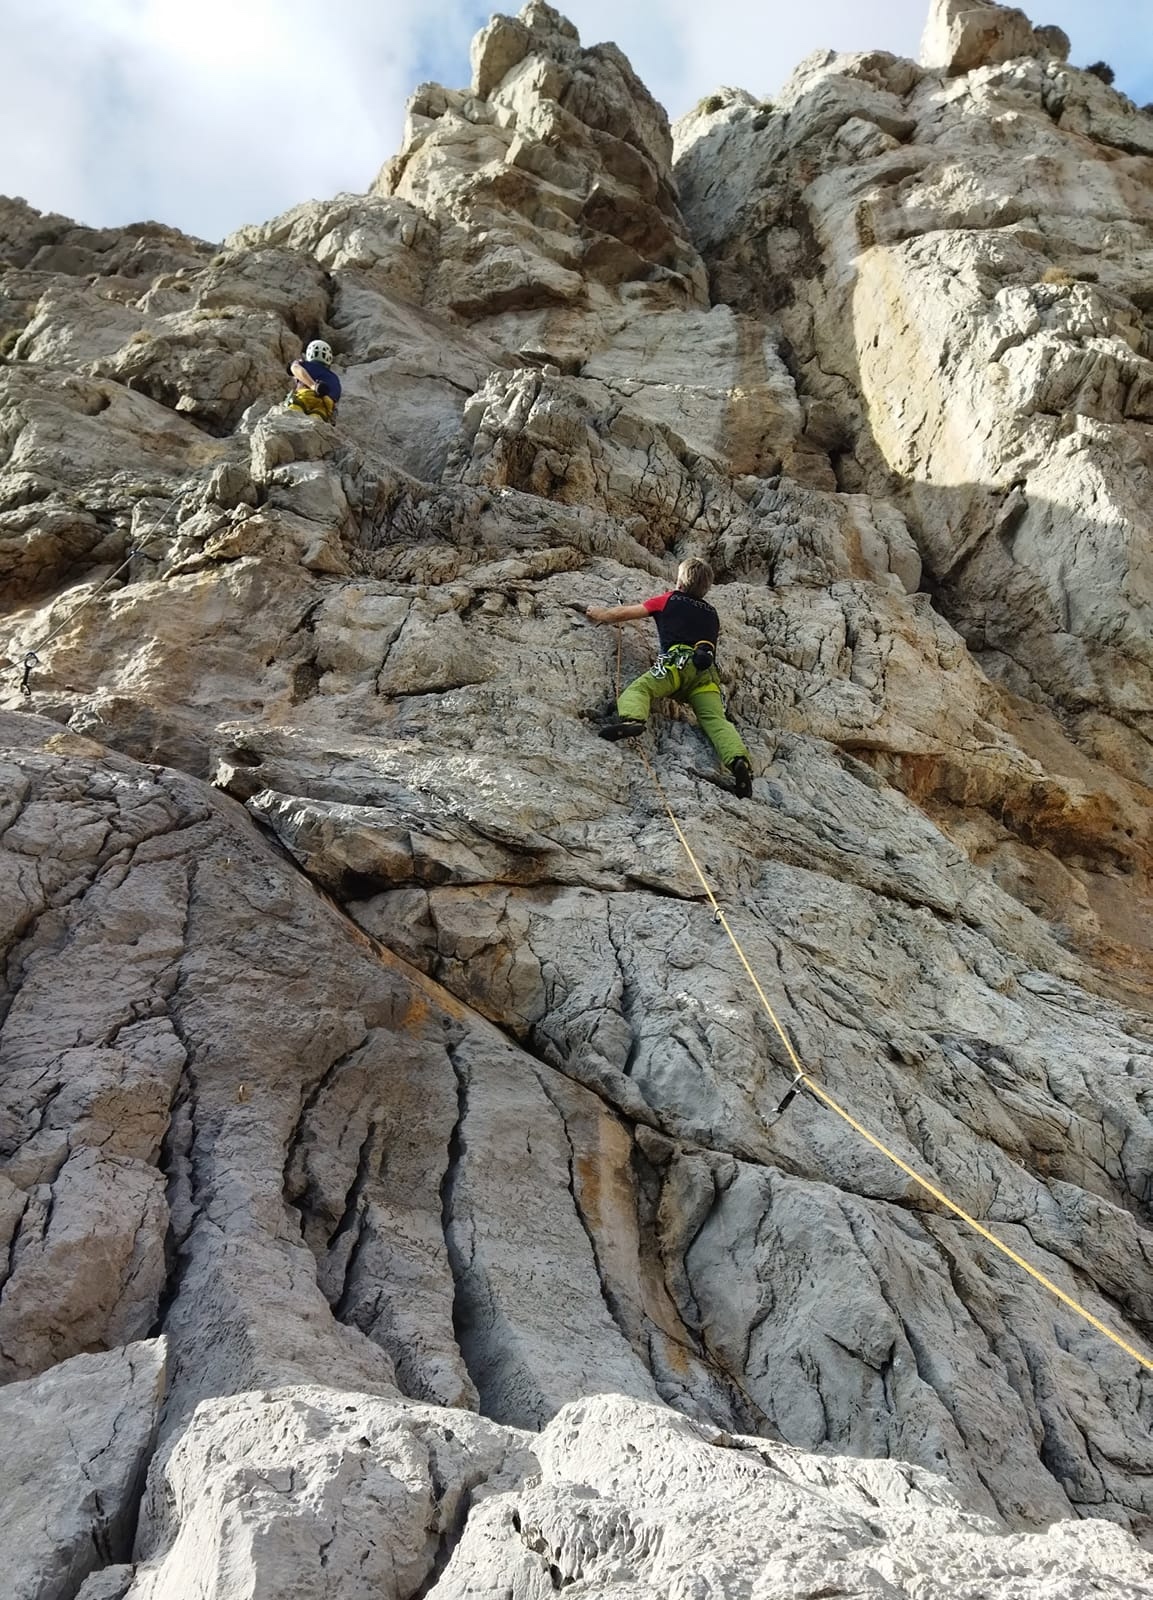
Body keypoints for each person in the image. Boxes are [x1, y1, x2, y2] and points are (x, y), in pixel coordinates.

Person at [586, 558, 753, 798]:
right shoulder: (712, 614)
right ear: (705, 588)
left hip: (675, 666)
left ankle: (634, 720)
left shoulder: (668, 599)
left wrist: (598, 613)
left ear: (679, 582)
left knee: (640, 690)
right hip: (705, 676)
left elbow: (624, 613)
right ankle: (738, 761)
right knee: (716, 720)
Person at [286, 339, 341, 421]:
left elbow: (294, 368)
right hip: (325, 404)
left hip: (305, 395)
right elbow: (336, 394)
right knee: (318, 418)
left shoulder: (304, 364)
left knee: (295, 413)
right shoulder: (334, 377)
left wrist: (313, 385)